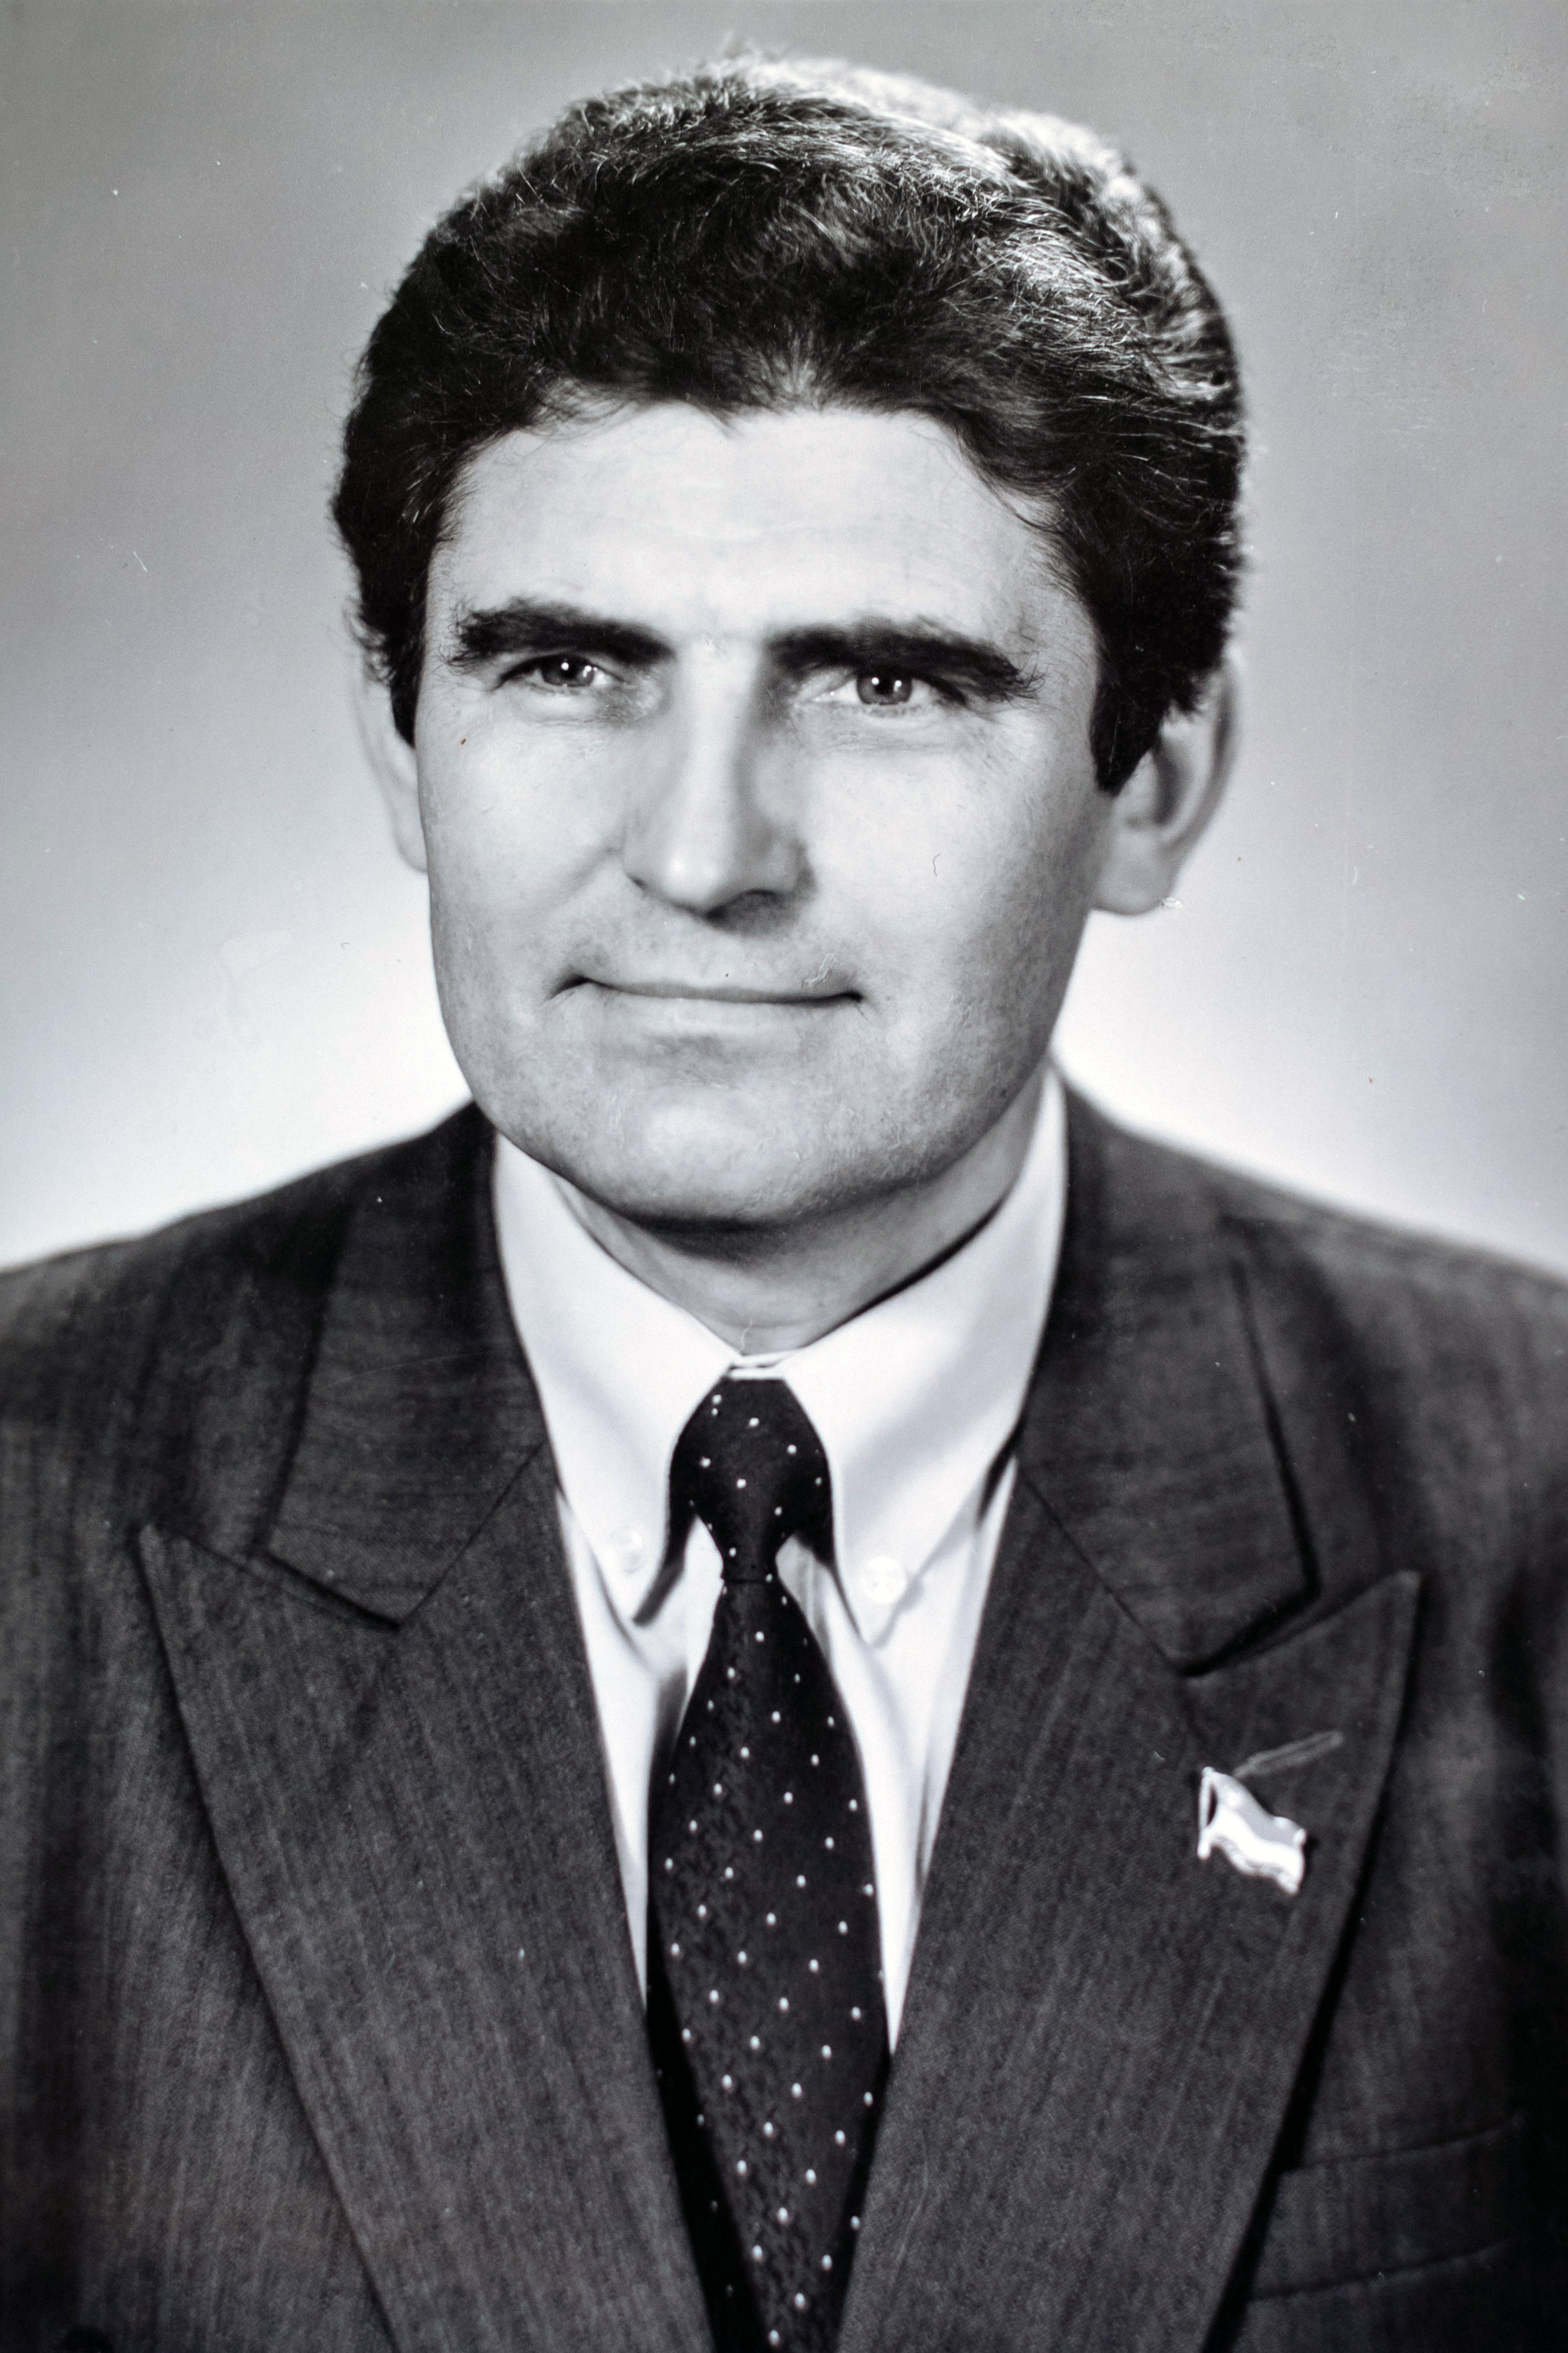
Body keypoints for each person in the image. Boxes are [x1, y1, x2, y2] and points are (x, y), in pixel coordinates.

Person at [2, 51, 1563, 2353]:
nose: (703, 852)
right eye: (565, 666)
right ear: (402, 744)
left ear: (1150, 785)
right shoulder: (26, 1509)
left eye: (885, 682)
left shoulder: (1530, 1496)